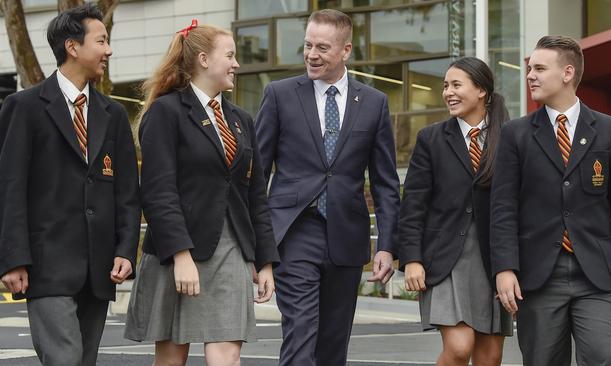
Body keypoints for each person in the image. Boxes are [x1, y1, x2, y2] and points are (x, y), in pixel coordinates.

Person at [123, 20, 279, 366]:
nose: (237, 64)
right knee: (171, 358)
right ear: (204, 60)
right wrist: (181, 255)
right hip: (179, 251)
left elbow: (255, 195)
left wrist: (265, 261)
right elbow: (158, 190)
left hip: (232, 249)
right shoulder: (165, 112)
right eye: (231, 55)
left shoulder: (241, 120)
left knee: (227, 354)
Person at [491, 35, 611, 365]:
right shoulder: (515, 134)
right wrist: (505, 268)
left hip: (596, 272)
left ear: (567, 73)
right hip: (538, 275)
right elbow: (503, 208)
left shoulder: (610, 130)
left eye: (539, 68)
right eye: (529, 68)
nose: (530, 75)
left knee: (604, 358)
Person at [255, 8, 400, 366]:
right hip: (294, 230)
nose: (311, 55)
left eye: (322, 47)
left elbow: (385, 182)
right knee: (301, 330)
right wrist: (258, 246)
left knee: (334, 344)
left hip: (346, 237)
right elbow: (255, 174)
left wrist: (386, 245)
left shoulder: (374, 103)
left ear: (346, 50)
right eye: (307, 45)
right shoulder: (279, 95)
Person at [0, 4, 140, 365]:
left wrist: (126, 249)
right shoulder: (24, 108)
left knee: (82, 361)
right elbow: (9, 187)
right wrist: (12, 258)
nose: (109, 50)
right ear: (72, 47)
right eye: (102, 40)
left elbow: (126, 192)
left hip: (99, 270)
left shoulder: (113, 115)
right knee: (64, 359)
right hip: (45, 268)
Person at [399, 57, 512, 366]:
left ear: (481, 91)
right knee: (460, 348)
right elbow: (412, 206)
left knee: (490, 358)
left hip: (494, 261)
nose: (448, 92)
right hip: (445, 259)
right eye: (445, 86)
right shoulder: (431, 139)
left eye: (456, 85)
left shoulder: (511, 137)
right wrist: (411, 259)